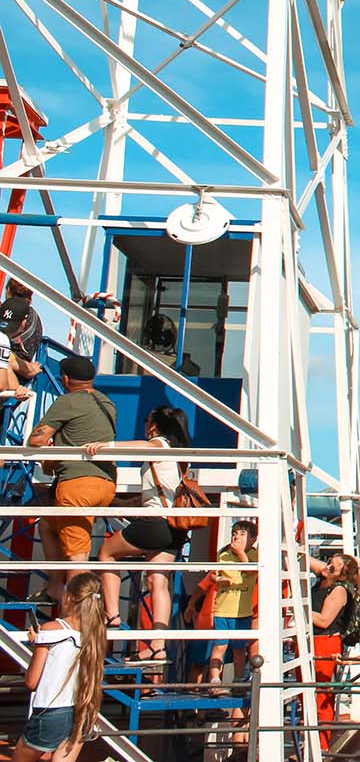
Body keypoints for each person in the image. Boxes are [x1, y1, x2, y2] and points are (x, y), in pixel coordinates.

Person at [86, 405, 193, 661]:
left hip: (156, 522)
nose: (145, 425)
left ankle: (112, 614)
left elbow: (148, 447)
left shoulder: (161, 444)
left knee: (106, 553)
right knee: (158, 581)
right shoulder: (179, 455)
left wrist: (106, 446)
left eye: (147, 420)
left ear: (154, 425)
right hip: (175, 527)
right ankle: (158, 646)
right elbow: (154, 494)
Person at [27, 357, 117, 605]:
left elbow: (36, 440)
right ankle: (56, 586)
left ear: (65, 378)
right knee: (47, 524)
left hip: (78, 485)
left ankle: (82, 617)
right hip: (106, 483)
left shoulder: (67, 401)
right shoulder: (106, 402)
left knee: (77, 557)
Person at [16, 572, 106, 762]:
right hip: (82, 710)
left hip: (51, 711)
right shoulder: (96, 634)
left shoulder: (50, 630)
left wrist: (37, 644)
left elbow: (31, 681)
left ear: (69, 598)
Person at [308, 551, 360, 750]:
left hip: (325, 640)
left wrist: (300, 607)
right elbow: (307, 559)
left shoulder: (338, 590)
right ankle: (310, 740)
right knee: (306, 691)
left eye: (333, 566)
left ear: (341, 574)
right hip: (312, 639)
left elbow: (324, 620)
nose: (328, 566)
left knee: (322, 692)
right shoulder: (324, 579)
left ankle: (320, 744)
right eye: (329, 561)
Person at [207, 521, 259, 691]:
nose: (236, 537)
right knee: (219, 646)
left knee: (239, 649)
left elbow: (252, 570)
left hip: (243, 611)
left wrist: (240, 553)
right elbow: (213, 575)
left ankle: (238, 680)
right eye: (234, 533)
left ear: (253, 539)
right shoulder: (223, 554)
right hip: (222, 610)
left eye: (242, 534)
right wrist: (218, 580)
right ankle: (214, 680)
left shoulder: (254, 555)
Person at [0, 279, 42, 382]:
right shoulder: (35, 318)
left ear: (9, 290)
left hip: (7, 370)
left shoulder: (7, 312)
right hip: (21, 377)